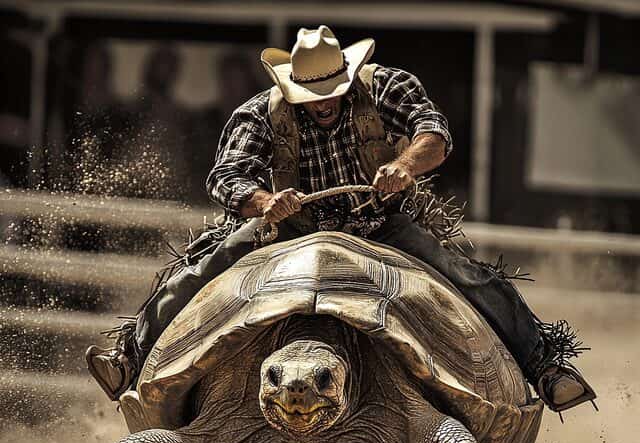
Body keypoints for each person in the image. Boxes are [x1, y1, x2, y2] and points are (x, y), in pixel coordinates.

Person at [87, 26, 595, 413]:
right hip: (288, 227)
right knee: (201, 269)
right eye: (312, 93)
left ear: (347, 77)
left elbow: (432, 132)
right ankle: (131, 357)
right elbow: (227, 175)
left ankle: (544, 365)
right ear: (293, 87)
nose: (323, 101)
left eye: (331, 88)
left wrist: (404, 165)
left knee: (462, 273)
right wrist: (265, 203)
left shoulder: (386, 89)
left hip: (377, 223)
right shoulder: (261, 113)